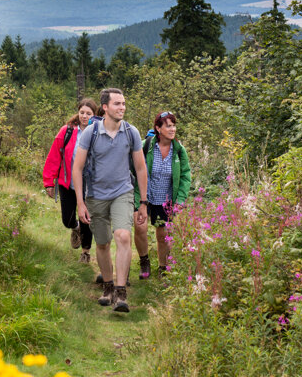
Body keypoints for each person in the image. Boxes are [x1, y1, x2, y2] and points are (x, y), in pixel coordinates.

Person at [72, 88, 147, 313]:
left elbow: (141, 167)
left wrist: (143, 201)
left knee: (123, 235)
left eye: (123, 103)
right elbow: (77, 167)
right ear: (105, 107)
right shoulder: (91, 133)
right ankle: (108, 286)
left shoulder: (131, 132)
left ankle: (121, 292)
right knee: (102, 243)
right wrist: (80, 202)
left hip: (122, 192)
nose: (122, 107)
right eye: (117, 104)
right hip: (95, 195)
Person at [133, 111, 191, 278]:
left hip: (165, 199)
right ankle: (144, 262)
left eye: (173, 125)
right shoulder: (145, 146)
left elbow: (186, 175)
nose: (172, 129)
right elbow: (132, 166)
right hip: (143, 195)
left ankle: (163, 268)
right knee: (140, 227)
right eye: (168, 126)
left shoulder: (179, 151)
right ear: (158, 128)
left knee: (163, 234)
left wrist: (180, 199)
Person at [43, 99, 98, 262]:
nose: (84, 116)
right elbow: (54, 156)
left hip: (89, 185)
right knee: (67, 219)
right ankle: (75, 229)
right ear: (78, 112)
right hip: (67, 183)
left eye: (89, 113)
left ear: (94, 115)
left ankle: (86, 252)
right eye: (82, 112)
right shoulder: (66, 132)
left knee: (87, 219)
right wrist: (49, 181)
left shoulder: (97, 133)